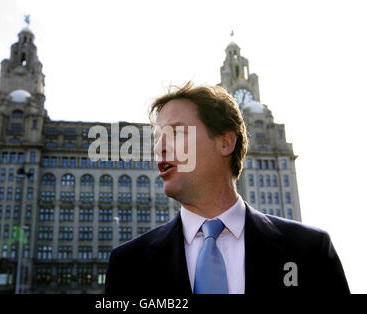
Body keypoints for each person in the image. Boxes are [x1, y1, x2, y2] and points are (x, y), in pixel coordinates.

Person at [104, 82, 349, 294]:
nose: (160, 147)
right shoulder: (128, 265)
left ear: (225, 142)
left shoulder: (310, 252)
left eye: (176, 132)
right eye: (157, 138)